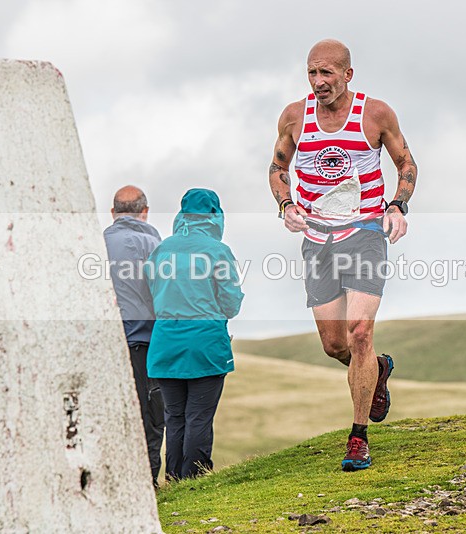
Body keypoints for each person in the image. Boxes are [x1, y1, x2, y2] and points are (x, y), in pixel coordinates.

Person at [268, 39, 418, 471]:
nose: (319, 82)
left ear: (347, 75)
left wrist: (396, 204)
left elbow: (406, 163)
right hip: (318, 238)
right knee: (336, 345)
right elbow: (278, 168)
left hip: (365, 232)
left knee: (358, 333)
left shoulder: (375, 114)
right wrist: (287, 206)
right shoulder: (295, 116)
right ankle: (379, 370)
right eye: (312, 73)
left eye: (327, 73)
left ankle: (358, 438)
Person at [146, 188, 244, 480]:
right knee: (199, 416)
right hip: (206, 343)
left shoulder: (162, 249)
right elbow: (230, 302)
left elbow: (152, 293)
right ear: (215, 215)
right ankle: (195, 478)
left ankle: (174, 478)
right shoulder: (218, 251)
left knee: (174, 418)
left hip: (165, 343)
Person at [103, 185, 165, 488]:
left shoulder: (96, 244)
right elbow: (165, 293)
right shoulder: (155, 245)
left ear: (113, 213)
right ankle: (147, 483)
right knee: (151, 414)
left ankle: (112, 482)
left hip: (105, 344)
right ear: (145, 211)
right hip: (146, 341)